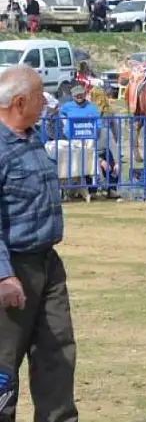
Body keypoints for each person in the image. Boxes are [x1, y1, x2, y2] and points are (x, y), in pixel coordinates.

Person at [0, 65, 80, 421]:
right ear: (19, 102)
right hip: (12, 267)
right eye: (38, 97)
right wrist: (3, 276)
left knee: (57, 351)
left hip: (47, 263)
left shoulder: (31, 137)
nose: (45, 104)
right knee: (3, 364)